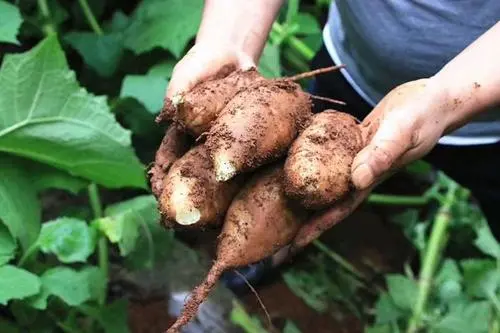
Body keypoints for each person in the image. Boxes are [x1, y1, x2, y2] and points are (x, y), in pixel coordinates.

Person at [166, 0, 500, 287]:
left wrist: (449, 96)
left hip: (490, 121)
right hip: (350, 68)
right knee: (297, 178)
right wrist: (229, 38)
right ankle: (273, 246)